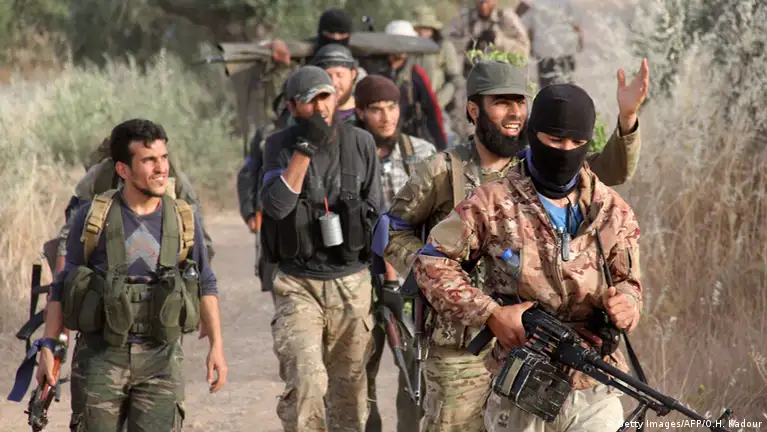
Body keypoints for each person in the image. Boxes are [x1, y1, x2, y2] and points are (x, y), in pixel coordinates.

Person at [380, 58, 648, 432]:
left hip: (569, 363)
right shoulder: (450, 173)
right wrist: (475, 298)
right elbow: (399, 236)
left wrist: (628, 118)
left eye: (519, 102)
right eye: (501, 102)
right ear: (474, 109)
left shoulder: (583, 191)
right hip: (465, 339)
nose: (513, 113)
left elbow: (612, 171)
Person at [36, 118, 227, 431]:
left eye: (164, 157)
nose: (161, 168)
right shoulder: (91, 218)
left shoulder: (182, 219)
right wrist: (48, 346)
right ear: (123, 169)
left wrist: (216, 346)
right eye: (149, 160)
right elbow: (62, 285)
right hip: (100, 359)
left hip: (161, 359)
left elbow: (205, 281)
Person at [259, 65, 383, 431]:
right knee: (307, 382)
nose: (320, 107)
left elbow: (379, 217)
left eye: (325, 97)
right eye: (310, 101)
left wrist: (389, 282)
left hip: (352, 284)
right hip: (298, 284)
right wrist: (305, 149)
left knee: (351, 397)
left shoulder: (361, 142)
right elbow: (277, 206)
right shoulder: (277, 146)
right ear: (293, 107)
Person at [354, 74, 437, 432]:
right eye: (376, 109)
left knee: (414, 375)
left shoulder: (421, 153)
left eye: (392, 107)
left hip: (409, 283)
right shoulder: (350, 153)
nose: (387, 117)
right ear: (360, 112)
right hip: (359, 278)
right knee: (359, 375)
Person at [236, 88, 292, 298]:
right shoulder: (267, 136)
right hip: (271, 216)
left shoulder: (322, 133)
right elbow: (248, 173)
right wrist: (249, 212)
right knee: (279, 283)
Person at [382, 20, 448, 151]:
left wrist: (441, 146)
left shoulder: (415, 74)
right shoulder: (377, 71)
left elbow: (432, 110)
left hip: (409, 140)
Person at [447, 0, 531, 77]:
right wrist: (470, 43)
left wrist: (498, 40)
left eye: (487, 1)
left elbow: (524, 50)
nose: (483, 5)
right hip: (472, 75)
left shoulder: (506, 18)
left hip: (500, 76)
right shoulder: (465, 17)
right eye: (480, 1)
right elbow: (448, 43)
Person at [519, 0, 584, 88]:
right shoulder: (566, 2)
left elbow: (529, 27)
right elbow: (575, 24)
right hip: (565, 49)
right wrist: (580, 41)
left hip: (544, 50)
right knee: (567, 83)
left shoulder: (534, 3)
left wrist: (530, 47)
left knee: (547, 86)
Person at [309, 43, 364, 124]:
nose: (334, 83)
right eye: (327, 75)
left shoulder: (366, 115)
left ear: (353, 74)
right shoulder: (308, 114)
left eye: (339, 75)